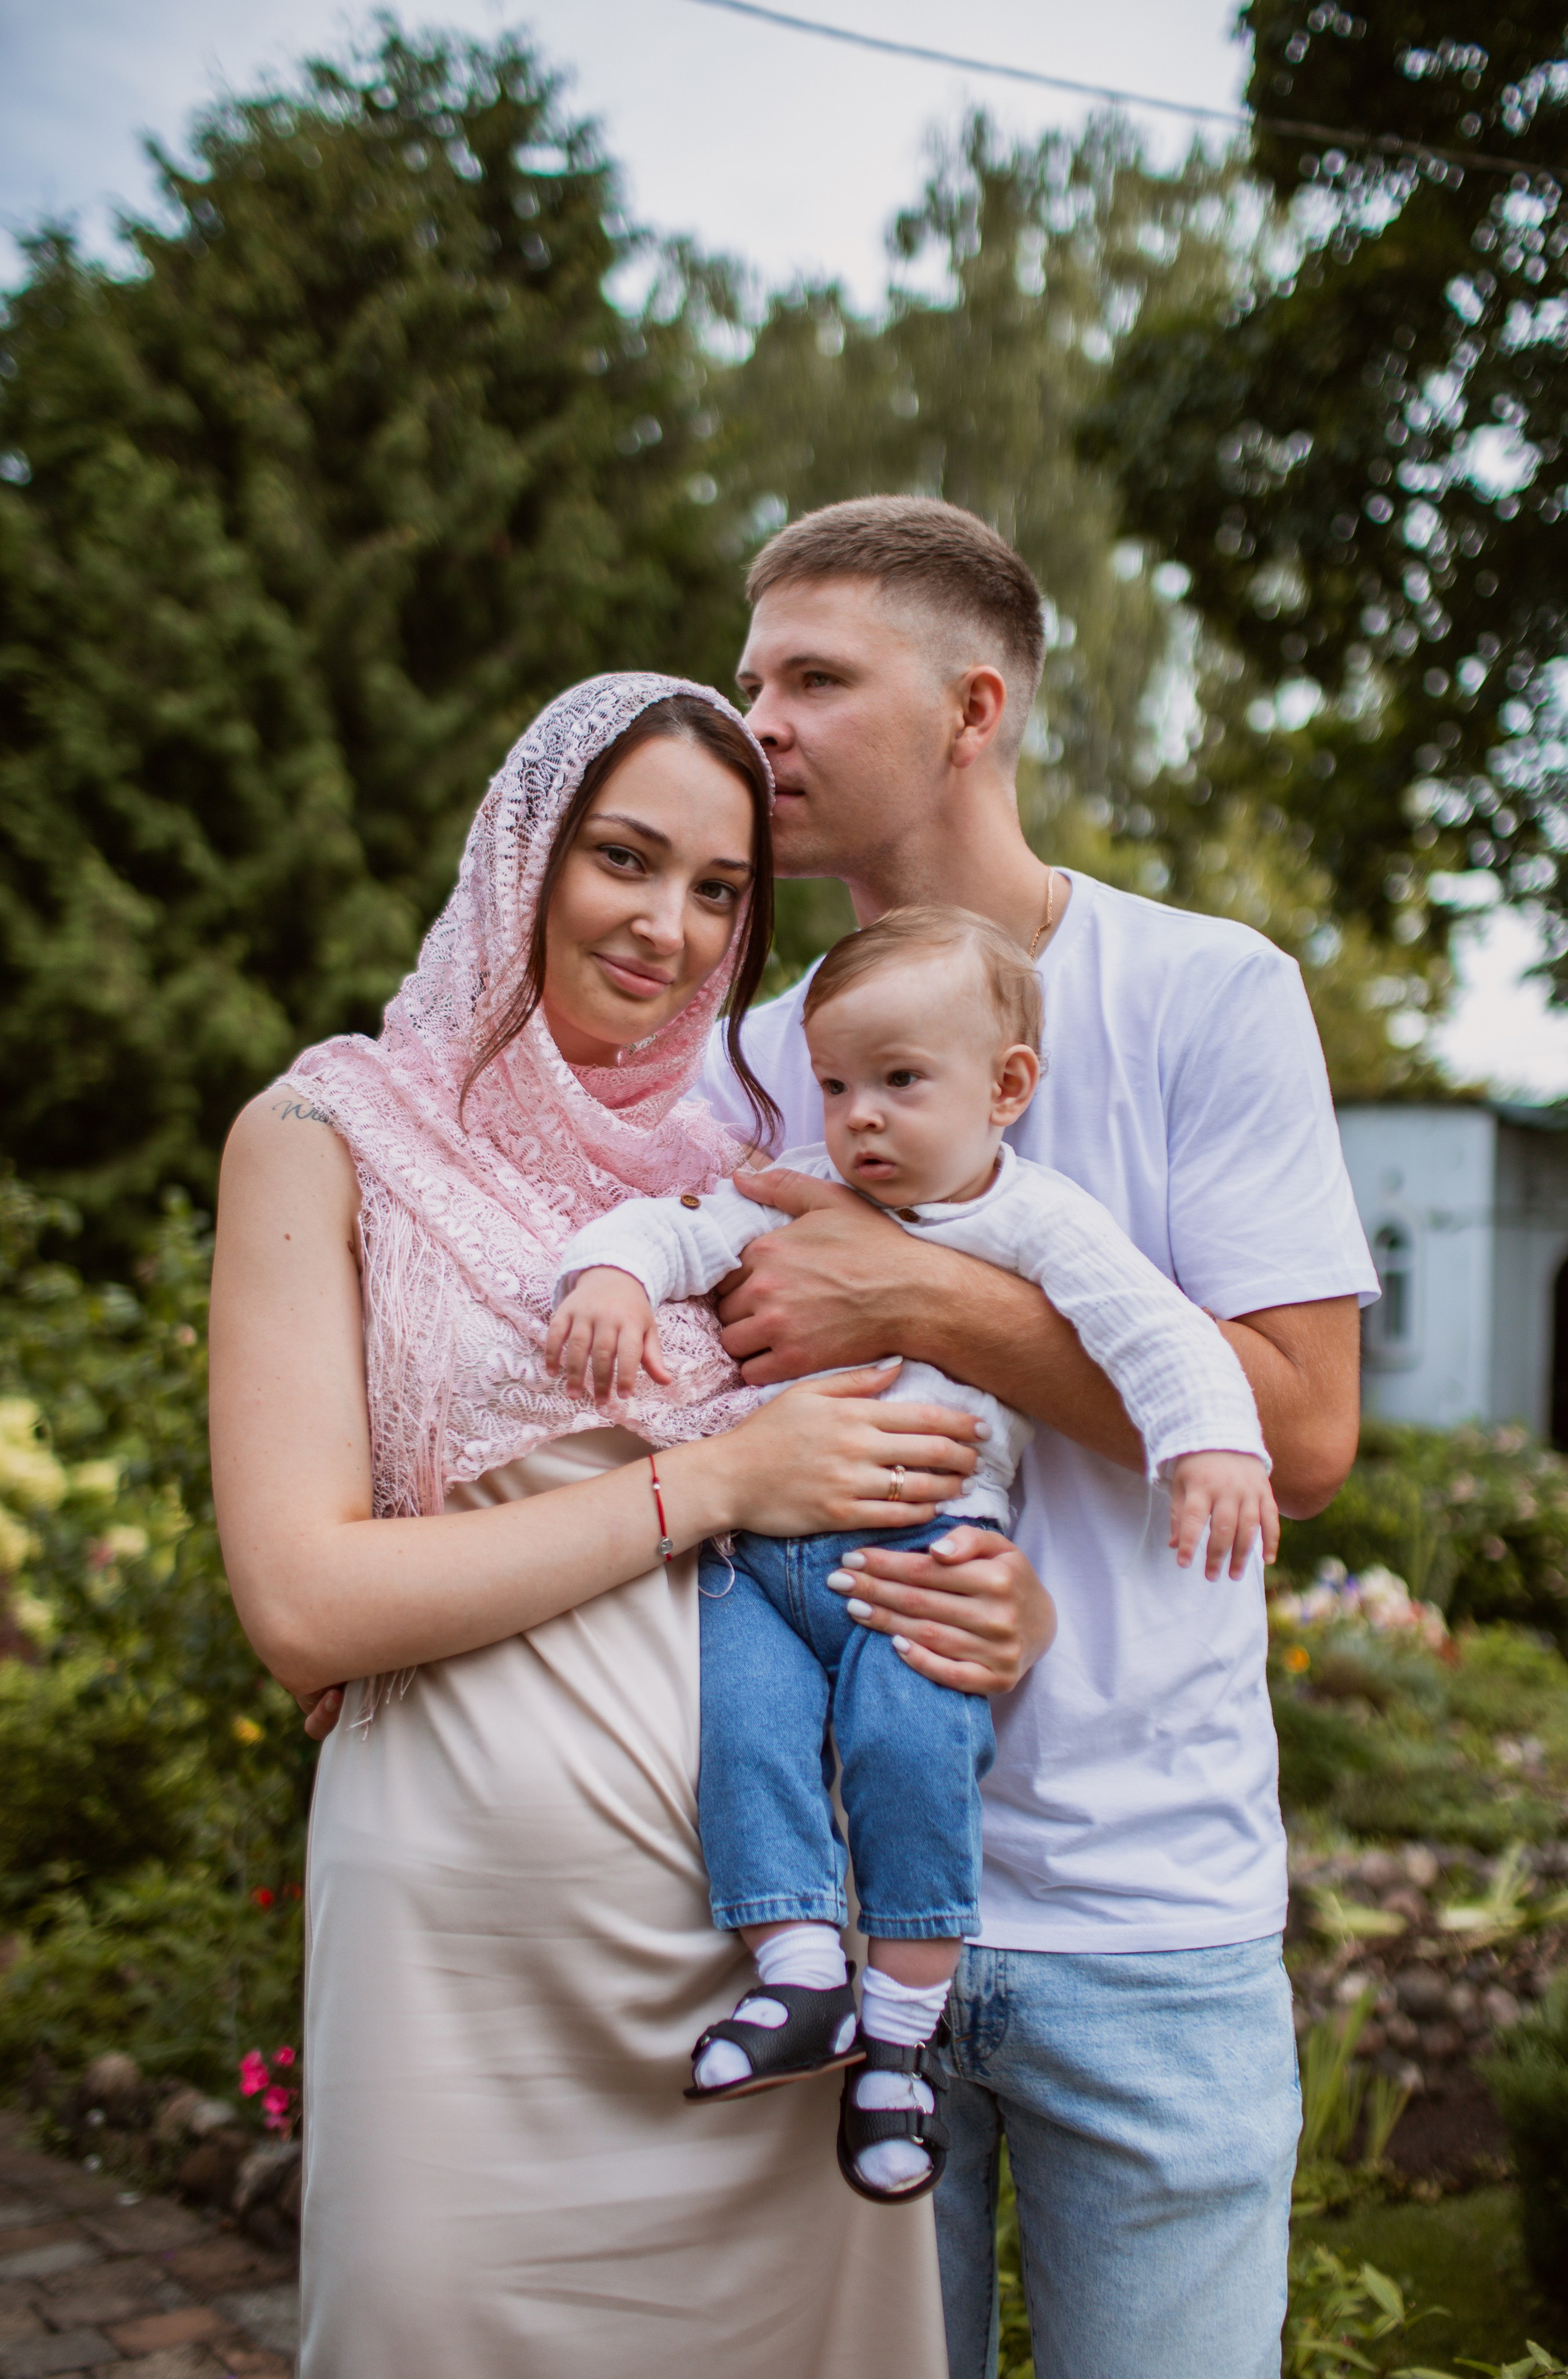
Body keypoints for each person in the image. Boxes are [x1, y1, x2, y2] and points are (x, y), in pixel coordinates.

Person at [208, 670, 1054, 2379]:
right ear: (524, 851)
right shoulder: (327, 1137)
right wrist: (714, 1484)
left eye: (722, 890)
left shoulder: (766, 1159)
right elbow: (302, 1602)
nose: (669, 927)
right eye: (624, 858)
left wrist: (1003, 1604)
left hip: (766, 1957)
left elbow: (951, 1422)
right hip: (463, 1954)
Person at [693, 499, 1378, 2378]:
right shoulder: (741, 1061)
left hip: (1147, 1926)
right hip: (818, 1929)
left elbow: (1302, 1433)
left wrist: (910, 1295)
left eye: (816, 678)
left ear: (974, 705)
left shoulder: (1205, 992)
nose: (761, 724)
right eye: (753, 679)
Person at [548, 901, 1276, 2208]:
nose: (859, 1117)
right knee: (747, 1735)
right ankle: (797, 1981)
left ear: (1006, 1089)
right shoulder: (805, 1198)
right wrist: (606, 1274)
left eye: (897, 1082)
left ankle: (898, 2041)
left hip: (923, 1556)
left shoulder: (1034, 1222)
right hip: (763, 1556)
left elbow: (1158, 1338)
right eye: (835, 1085)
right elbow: (677, 1227)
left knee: (905, 1748)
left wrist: (1212, 1447)